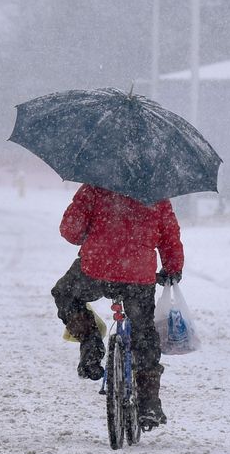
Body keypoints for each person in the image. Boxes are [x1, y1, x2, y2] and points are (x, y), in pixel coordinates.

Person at [51, 183, 183, 428]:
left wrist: (91, 231)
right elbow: (169, 236)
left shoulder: (95, 185)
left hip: (96, 268)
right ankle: (149, 403)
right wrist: (173, 268)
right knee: (144, 332)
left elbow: (70, 231)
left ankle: (90, 343)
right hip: (138, 276)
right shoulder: (156, 193)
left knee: (65, 293)